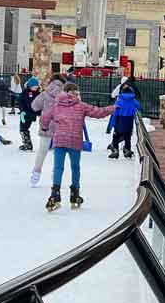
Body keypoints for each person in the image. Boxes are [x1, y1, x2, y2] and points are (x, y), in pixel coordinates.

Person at [39, 83, 116, 212]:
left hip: (60, 140)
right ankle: (75, 195)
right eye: (77, 92)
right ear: (74, 93)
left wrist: (45, 127)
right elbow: (98, 112)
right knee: (75, 168)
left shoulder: (56, 106)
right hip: (74, 140)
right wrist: (112, 108)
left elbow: (45, 117)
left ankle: (54, 195)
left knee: (58, 167)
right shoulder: (81, 106)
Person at [30, 73, 66, 187]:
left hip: (46, 124)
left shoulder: (45, 93)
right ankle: (56, 175)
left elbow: (34, 106)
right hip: (61, 125)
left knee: (42, 150)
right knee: (58, 151)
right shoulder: (65, 94)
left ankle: (36, 174)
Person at [109, 84, 141, 159]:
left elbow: (115, 113)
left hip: (119, 121)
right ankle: (127, 150)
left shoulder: (119, 101)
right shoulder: (134, 101)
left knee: (116, 137)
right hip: (129, 121)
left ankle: (115, 151)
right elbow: (139, 108)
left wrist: (112, 124)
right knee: (127, 137)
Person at [18, 77, 41, 152]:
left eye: (36, 86)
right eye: (34, 86)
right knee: (23, 129)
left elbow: (40, 104)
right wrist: (22, 110)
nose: (36, 87)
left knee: (24, 128)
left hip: (31, 114)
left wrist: (39, 113)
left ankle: (28, 145)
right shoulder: (25, 92)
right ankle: (26, 144)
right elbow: (21, 102)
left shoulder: (38, 94)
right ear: (30, 86)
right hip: (24, 113)